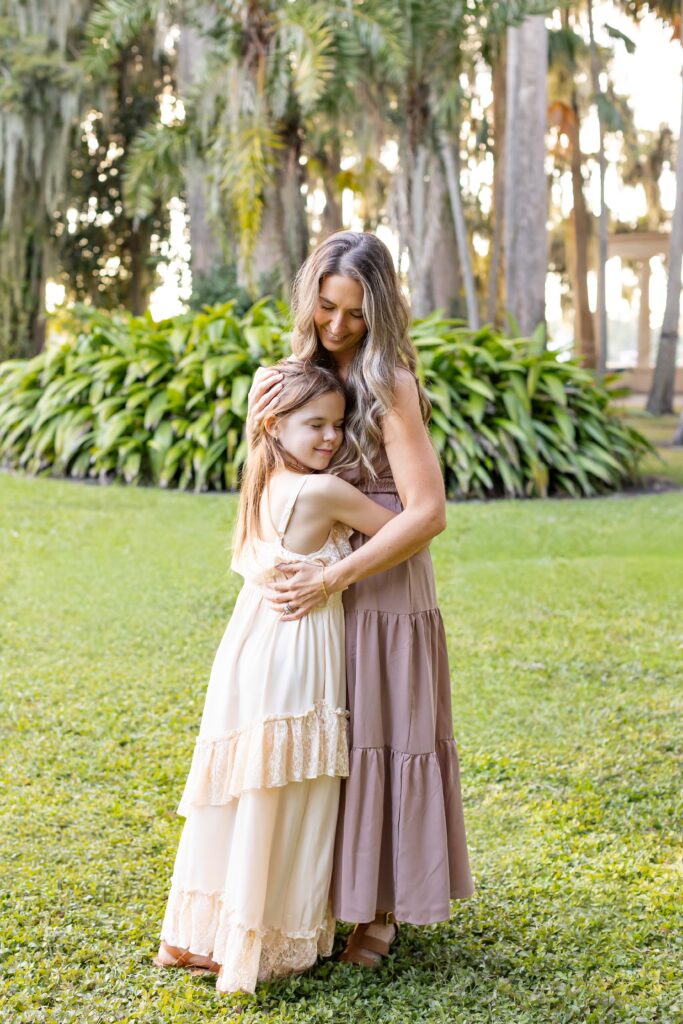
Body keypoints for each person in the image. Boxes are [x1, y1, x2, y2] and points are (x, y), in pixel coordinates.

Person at [247, 231, 474, 967]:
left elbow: (427, 512)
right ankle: (312, 897)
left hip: (379, 581)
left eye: (355, 314)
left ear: (379, 313)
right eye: (326, 307)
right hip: (312, 588)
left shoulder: (391, 385)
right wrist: (277, 569)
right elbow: (259, 489)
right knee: (324, 744)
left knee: (383, 736)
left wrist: (333, 577)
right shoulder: (286, 378)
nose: (338, 327)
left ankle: (379, 912)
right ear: (309, 298)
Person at [154, 361, 397, 993]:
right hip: (297, 653)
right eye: (314, 424)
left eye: (339, 425)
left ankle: (210, 933)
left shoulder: (264, 481)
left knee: (245, 792)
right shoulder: (321, 492)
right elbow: (401, 527)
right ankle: (269, 937)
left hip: (250, 647)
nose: (331, 438)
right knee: (290, 791)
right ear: (275, 424)